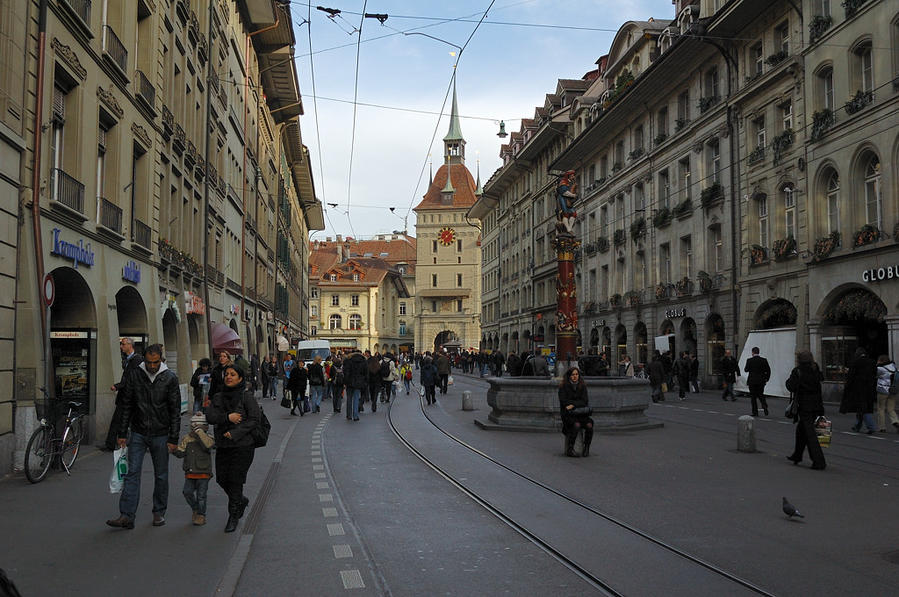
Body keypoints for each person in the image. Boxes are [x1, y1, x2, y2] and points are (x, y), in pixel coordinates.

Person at [106, 344, 180, 530]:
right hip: (138, 432)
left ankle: (159, 512)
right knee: (132, 474)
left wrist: (173, 438)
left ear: (161, 360)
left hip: (161, 434)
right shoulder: (135, 375)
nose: (152, 366)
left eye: (155, 362)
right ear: (144, 359)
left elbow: (175, 411)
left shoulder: (170, 378)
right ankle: (127, 515)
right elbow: (127, 405)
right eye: (149, 362)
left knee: (161, 475)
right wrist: (122, 433)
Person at [206, 363, 260, 532]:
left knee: (235, 480)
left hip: (243, 445)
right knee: (222, 479)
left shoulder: (246, 397)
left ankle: (233, 515)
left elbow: (254, 419)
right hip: (223, 445)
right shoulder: (218, 397)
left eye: (233, 374)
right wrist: (228, 417)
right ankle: (240, 500)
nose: (229, 377)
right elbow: (210, 416)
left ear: (240, 378)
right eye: (227, 374)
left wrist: (236, 433)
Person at [785, 350, 826, 470]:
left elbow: (791, 386)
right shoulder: (815, 368)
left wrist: (790, 381)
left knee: (811, 434)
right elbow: (821, 379)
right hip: (817, 405)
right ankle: (797, 455)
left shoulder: (798, 371)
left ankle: (819, 461)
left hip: (805, 405)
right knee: (801, 430)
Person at [173, 412, 215, 526]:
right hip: (190, 472)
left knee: (201, 496)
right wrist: (173, 449)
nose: (194, 428)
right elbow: (180, 453)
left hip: (203, 472)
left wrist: (200, 432)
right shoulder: (187, 438)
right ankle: (195, 509)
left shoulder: (208, 437)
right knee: (187, 492)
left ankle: (201, 515)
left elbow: (208, 445)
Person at [105, 337, 143, 451]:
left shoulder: (136, 360)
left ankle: (112, 443)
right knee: (122, 420)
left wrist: (117, 386)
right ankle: (113, 442)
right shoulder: (128, 359)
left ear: (130, 345)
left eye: (123, 344)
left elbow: (130, 378)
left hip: (128, 396)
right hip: (127, 395)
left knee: (120, 420)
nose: (121, 347)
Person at [840, 347, 877, 434]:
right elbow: (875, 375)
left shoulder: (855, 362)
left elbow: (850, 377)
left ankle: (871, 426)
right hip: (869, 388)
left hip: (857, 389)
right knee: (862, 408)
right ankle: (857, 425)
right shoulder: (872, 362)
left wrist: (847, 387)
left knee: (863, 408)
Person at [559, 367, 593, 457]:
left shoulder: (582, 386)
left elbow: (585, 401)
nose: (575, 376)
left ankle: (586, 447)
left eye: (577, 374)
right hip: (568, 415)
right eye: (573, 375)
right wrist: (577, 403)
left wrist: (573, 404)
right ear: (569, 376)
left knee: (589, 425)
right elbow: (564, 401)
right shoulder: (563, 387)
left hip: (581, 414)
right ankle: (570, 448)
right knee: (576, 425)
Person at [875, 355, 899, 433]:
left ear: (881, 361)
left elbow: (874, 375)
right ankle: (896, 422)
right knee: (891, 409)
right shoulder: (894, 367)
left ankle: (882, 427)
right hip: (893, 390)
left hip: (883, 390)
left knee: (881, 408)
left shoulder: (880, 369)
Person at [744, 347, 771, 416]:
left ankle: (755, 412)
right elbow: (768, 370)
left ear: (753, 352)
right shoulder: (764, 360)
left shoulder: (749, 360)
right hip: (761, 381)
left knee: (753, 397)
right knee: (760, 394)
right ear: (758, 352)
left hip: (752, 381)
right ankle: (764, 405)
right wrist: (766, 378)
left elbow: (746, 369)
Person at [342, 350, 368, 421]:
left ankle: (349, 415)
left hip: (349, 382)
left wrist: (345, 381)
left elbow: (345, 372)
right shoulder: (363, 361)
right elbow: (366, 373)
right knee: (356, 398)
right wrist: (364, 382)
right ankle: (355, 416)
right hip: (359, 382)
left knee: (349, 398)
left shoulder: (348, 360)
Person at [555, 170, 578, 234]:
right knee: (566, 213)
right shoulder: (563, 182)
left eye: (573, 175)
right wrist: (573, 195)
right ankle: (568, 229)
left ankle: (570, 228)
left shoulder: (571, 183)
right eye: (572, 175)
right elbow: (563, 192)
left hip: (569, 201)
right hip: (563, 199)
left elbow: (573, 191)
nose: (573, 177)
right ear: (568, 176)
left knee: (574, 213)